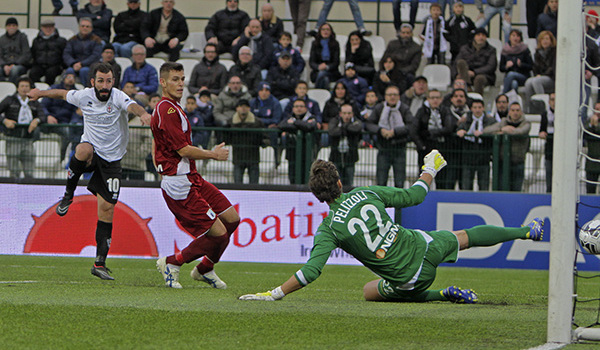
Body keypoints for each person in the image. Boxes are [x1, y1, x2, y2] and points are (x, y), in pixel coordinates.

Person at [239, 155, 545, 303]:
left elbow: (311, 271)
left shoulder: (328, 229)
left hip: (413, 276)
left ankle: (444, 294)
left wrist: (274, 293)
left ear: (317, 197)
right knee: (465, 237)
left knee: (369, 291)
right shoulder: (366, 193)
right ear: (340, 182)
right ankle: (527, 231)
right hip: (425, 244)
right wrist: (429, 169)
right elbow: (415, 196)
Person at [27, 62, 153, 280]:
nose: (105, 85)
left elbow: (134, 106)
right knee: (82, 149)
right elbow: (61, 93)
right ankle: (68, 195)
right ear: (93, 81)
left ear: (114, 81)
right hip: (93, 151)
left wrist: (144, 114)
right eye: (101, 81)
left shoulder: (118, 97)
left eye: (109, 81)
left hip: (112, 161)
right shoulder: (84, 95)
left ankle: (99, 264)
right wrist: (40, 93)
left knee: (107, 210)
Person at [151, 62, 240, 289]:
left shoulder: (172, 107)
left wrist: (159, 161)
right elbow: (182, 150)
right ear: (163, 82)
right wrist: (213, 154)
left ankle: (204, 268)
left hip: (192, 178)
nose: (180, 84)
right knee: (219, 234)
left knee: (232, 219)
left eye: (182, 79)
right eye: (174, 79)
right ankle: (172, 262)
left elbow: (158, 141)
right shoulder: (167, 109)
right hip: (180, 184)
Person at [365, 85, 417, 188]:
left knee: (399, 182)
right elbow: (369, 124)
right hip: (383, 148)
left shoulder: (404, 108)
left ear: (399, 97)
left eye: (395, 95)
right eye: (390, 95)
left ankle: (398, 204)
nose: (392, 97)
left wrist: (395, 132)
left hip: (400, 148)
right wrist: (381, 130)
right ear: (385, 97)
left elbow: (411, 125)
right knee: (381, 181)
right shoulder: (379, 108)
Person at [0, 77, 47, 179]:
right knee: (14, 172)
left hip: (28, 140)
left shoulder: (34, 102)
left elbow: (43, 116)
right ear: (17, 88)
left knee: (29, 172)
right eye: (22, 86)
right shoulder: (9, 100)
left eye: (27, 86)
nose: (24, 88)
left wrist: (36, 120)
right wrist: (4, 120)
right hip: (12, 138)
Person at [486, 102, 530, 192]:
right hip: (503, 163)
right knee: (501, 189)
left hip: (518, 162)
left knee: (516, 190)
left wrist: (506, 131)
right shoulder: (504, 122)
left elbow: (521, 131)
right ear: (509, 112)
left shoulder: (526, 123)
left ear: (521, 112)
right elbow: (486, 130)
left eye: (517, 110)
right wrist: (501, 129)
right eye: (513, 110)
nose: (515, 112)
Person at [456, 99, 496, 191]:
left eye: (479, 107)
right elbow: (458, 129)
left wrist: (484, 134)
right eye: (475, 107)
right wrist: (460, 131)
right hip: (468, 158)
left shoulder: (490, 121)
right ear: (471, 109)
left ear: (483, 108)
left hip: (484, 158)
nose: (477, 110)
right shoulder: (465, 121)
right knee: (466, 186)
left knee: (483, 186)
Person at [41, 72, 80, 160]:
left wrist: (72, 122)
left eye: (73, 77)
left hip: (65, 123)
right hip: (49, 120)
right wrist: (48, 116)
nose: (71, 79)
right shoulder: (54, 89)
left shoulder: (76, 93)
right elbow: (43, 105)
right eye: (68, 77)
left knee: (69, 131)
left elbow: (75, 111)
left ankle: (63, 157)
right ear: (63, 78)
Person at [414, 89, 455, 173]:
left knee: (442, 176)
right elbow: (414, 129)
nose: (435, 100)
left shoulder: (446, 110)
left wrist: (430, 132)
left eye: (437, 97)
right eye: (432, 98)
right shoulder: (421, 111)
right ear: (428, 99)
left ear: (441, 99)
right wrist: (421, 146)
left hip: (442, 148)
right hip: (425, 148)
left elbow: (449, 128)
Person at [278, 98, 318, 184]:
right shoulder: (289, 117)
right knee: (292, 179)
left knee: (307, 180)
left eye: (301, 106)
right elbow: (281, 125)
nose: (298, 108)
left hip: (307, 156)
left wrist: (295, 122)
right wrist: (301, 125)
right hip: (292, 155)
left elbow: (310, 126)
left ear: (306, 108)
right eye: (296, 106)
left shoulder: (311, 117)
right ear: (293, 109)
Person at [452, 27, 497, 96]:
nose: (481, 37)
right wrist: (457, 75)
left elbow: (491, 66)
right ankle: (467, 86)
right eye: (478, 35)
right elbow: (456, 63)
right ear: (474, 37)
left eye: (483, 35)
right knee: (461, 63)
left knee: (479, 79)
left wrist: (475, 72)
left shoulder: (491, 50)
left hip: (484, 75)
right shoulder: (465, 48)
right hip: (466, 75)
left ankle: (477, 99)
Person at [228, 99, 264, 184]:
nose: (243, 108)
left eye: (246, 106)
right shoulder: (230, 122)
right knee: (237, 184)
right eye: (241, 106)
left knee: (254, 185)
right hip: (238, 157)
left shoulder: (257, 122)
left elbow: (264, 137)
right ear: (237, 108)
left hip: (253, 157)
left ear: (249, 108)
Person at [328, 103, 363, 187]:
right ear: (340, 114)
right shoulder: (334, 120)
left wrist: (343, 127)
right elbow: (332, 131)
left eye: (349, 113)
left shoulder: (356, 121)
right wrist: (347, 128)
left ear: (352, 114)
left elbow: (357, 128)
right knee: (336, 183)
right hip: (336, 157)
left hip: (350, 157)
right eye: (344, 113)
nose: (347, 116)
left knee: (349, 183)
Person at [63, 17, 103, 87]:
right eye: (83, 26)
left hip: (89, 66)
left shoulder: (97, 40)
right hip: (74, 65)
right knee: (69, 71)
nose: (85, 28)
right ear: (79, 27)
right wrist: (73, 63)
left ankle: (86, 89)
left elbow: (95, 55)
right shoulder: (72, 40)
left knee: (84, 71)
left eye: (87, 26)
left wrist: (82, 64)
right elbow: (66, 54)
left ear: (91, 28)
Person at [524, 31, 556, 113]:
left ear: (551, 41)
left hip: (551, 78)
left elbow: (553, 68)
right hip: (541, 77)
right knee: (528, 82)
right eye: (542, 39)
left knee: (536, 81)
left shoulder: (555, 52)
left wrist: (541, 75)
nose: (545, 41)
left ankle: (542, 108)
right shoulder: (537, 53)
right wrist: (537, 74)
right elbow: (535, 68)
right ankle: (529, 108)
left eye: (547, 39)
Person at [29, 18, 67, 85]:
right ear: (41, 28)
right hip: (39, 65)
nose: (48, 29)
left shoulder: (61, 41)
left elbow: (64, 55)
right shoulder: (36, 40)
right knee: (33, 73)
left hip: (55, 65)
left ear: (54, 28)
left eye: (50, 27)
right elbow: (33, 53)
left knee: (50, 73)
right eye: (45, 27)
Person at [309, 23, 341, 90]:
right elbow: (311, 62)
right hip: (317, 71)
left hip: (332, 71)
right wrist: (318, 67)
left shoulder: (335, 44)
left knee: (323, 74)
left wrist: (327, 67)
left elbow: (336, 62)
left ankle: (316, 92)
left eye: (327, 30)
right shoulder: (314, 43)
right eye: (323, 29)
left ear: (331, 32)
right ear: (320, 31)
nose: (325, 31)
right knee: (325, 78)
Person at [499, 29, 533, 94]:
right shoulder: (505, 50)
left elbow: (531, 66)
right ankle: (514, 101)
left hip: (523, 76)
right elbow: (501, 68)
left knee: (511, 74)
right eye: (513, 35)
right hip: (509, 78)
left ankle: (503, 95)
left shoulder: (525, 49)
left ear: (520, 38)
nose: (515, 38)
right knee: (514, 84)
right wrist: (506, 66)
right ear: (509, 37)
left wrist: (521, 65)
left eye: (517, 36)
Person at [0, 18, 31, 84]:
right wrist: (4, 65)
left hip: (19, 65)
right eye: (9, 25)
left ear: (17, 27)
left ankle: (12, 88)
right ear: (6, 27)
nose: (11, 27)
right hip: (4, 65)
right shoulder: (1, 39)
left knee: (14, 70)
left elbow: (26, 54)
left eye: (13, 25)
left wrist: (15, 64)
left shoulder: (23, 38)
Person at [539, 92, 555, 193]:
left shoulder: (565, 115)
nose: (554, 102)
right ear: (549, 102)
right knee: (549, 177)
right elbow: (541, 130)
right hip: (549, 150)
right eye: (552, 99)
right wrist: (541, 133)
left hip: (562, 153)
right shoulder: (544, 115)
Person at [585, 101, 600, 195]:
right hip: (591, 163)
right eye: (596, 109)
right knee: (590, 191)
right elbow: (584, 133)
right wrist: (591, 125)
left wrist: (596, 126)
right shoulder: (588, 121)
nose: (597, 111)